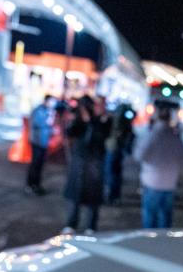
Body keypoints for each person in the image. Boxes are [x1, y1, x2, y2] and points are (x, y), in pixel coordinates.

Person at [133, 102, 183, 229]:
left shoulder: (151, 135)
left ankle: (150, 242)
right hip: (170, 182)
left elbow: (139, 155)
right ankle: (164, 243)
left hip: (152, 181)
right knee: (166, 217)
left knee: (150, 216)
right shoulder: (175, 137)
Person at [62, 96, 110, 234]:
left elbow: (100, 138)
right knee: (75, 194)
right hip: (79, 163)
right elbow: (70, 133)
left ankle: (91, 226)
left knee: (93, 197)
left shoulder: (104, 120)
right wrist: (73, 119)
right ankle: (71, 224)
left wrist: (91, 121)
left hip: (94, 163)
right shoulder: (79, 120)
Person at [103, 103, 135, 205]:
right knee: (116, 172)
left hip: (113, 148)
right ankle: (115, 195)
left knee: (111, 172)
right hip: (118, 149)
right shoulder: (126, 121)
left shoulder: (117, 120)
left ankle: (112, 196)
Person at [25, 95, 56, 195]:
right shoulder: (39, 110)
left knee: (40, 165)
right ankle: (30, 185)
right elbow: (38, 123)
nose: (52, 104)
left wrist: (52, 130)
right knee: (35, 164)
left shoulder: (49, 111)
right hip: (37, 141)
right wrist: (49, 118)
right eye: (51, 101)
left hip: (44, 142)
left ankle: (37, 185)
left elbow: (49, 127)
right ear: (46, 101)